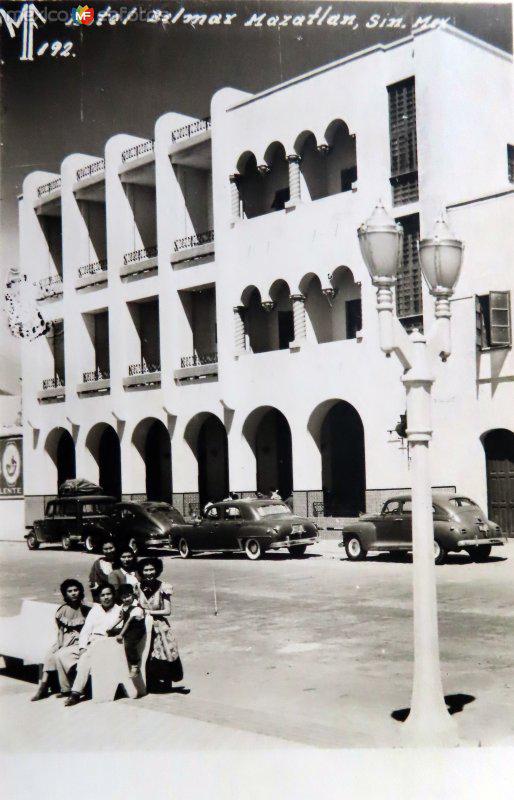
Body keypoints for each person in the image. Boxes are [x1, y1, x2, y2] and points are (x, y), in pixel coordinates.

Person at [55, 584, 122, 706]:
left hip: (106, 644)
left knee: (85, 658)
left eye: (109, 594)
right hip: (91, 642)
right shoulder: (96, 610)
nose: (106, 597)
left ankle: (75, 693)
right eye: (103, 595)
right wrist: (82, 647)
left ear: (113, 595)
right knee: (62, 655)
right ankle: (69, 688)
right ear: (99, 597)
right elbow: (85, 631)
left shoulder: (119, 610)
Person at [31, 579, 90, 701]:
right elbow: (60, 630)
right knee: (50, 655)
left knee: (61, 655)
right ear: (65, 594)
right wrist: (59, 644)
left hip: (81, 639)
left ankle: (66, 689)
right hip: (66, 638)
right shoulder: (62, 610)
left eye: (76, 590)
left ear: (80, 591)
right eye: (70, 591)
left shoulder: (86, 609)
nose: (73, 593)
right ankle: (43, 687)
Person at [136, 557, 184, 692]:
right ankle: (149, 683)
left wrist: (148, 612)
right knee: (146, 652)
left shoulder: (164, 587)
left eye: (151, 569)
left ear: (157, 570)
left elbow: (167, 611)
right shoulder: (137, 587)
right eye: (146, 570)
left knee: (164, 652)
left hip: (159, 625)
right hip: (143, 624)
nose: (149, 573)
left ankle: (166, 683)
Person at [108, 584, 146, 677]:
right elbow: (121, 618)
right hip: (128, 628)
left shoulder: (137, 607)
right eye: (123, 597)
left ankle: (134, 665)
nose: (126, 599)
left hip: (136, 629)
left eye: (128, 596)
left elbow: (128, 622)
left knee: (129, 644)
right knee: (111, 633)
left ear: (132, 595)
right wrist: (111, 627)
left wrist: (121, 634)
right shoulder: (123, 606)